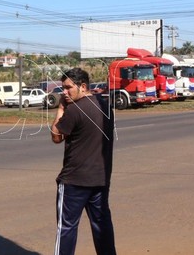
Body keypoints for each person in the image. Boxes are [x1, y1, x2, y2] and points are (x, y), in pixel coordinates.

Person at [50, 68, 117, 255]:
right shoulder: (104, 106)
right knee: (102, 224)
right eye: (63, 88)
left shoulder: (74, 110)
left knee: (66, 228)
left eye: (68, 88)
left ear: (83, 86)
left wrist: (61, 108)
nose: (64, 92)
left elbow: (56, 136)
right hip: (100, 179)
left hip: (74, 181)